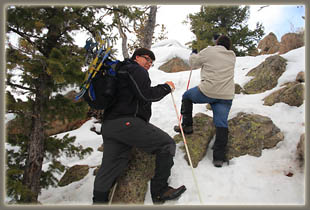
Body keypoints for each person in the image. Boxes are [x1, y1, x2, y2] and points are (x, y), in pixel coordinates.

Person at [93, 48, 186, 204]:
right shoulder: (135, 69)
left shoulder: (119, 72)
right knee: (166, 144)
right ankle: (160, 191)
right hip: (127, 123)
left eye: (152, 62)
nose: (149, 64)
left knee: (110, 168)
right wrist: (166, 88)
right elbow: (146, 94)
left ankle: (98, 203)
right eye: (147, 59)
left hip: (110, 126)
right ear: (137, 57)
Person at [174, 35, 236, 168]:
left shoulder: (210, 50)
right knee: (221, 123)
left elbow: (194, 62)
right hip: (226, 95)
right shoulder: (232, 56)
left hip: (208, 91)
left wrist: (193, 53)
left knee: (187, 96)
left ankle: (187, 126)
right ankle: (218, 158)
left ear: (217, 43)